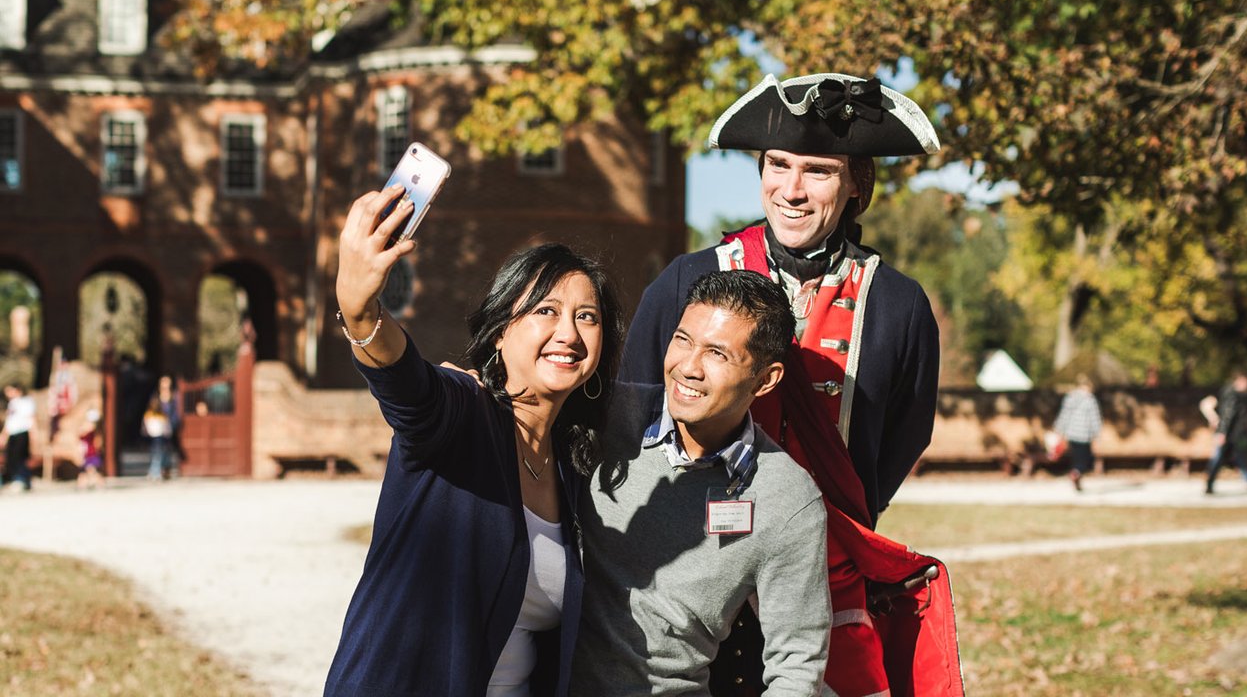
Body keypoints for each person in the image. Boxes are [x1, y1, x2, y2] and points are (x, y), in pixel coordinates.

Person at [620, 73, 962, 696]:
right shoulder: (686, 279)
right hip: (684, 571)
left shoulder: (900, 304)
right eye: (777, 164)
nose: (792, 189)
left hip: (824, 575)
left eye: (820, 170)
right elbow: (633, 413)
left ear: (858, 184)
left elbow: (901, 439)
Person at [324, 184, 623, 697]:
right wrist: (361, 312)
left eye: (587, 316)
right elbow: (408, 387)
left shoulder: (574, 468)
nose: (569, 333)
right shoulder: (464, 412)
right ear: (501, 331)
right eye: (545, 311)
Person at [571, 270, 830, 695]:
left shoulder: (788, 498)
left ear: (766, 380)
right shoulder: (604, 416)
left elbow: (798, 664)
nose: (688, 367)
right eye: (683, 340)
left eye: (717, 354)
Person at [1205, 371, 1247, 496]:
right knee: (1241, 460)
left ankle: (1209, 485)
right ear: (1239, 381)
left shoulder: (1231, 394)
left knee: (1230, 460)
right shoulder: (1233, 396)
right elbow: (1228, 416)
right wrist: (1222, 433)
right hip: (1235, 436)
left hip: (1232, 435)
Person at [1053, 374, 1103, 492]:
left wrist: (1060, 429)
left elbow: (1064, 415)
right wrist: (1097, 433)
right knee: (1086, 459)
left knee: (1076, 457)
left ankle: (1076, 475)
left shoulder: (1070, 398)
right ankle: (1076, 473)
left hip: (1072, 433)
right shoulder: (1090, 400)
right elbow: (1094, 418)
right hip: (1084, 434)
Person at [1, 384, 37, 492]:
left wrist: (34, 434)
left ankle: (22, 479)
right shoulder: (11, 404)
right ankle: (16, 479)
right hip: (12, 434)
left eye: (9, 391)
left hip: (22, 432)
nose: (7, 394)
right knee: (11, 457)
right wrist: (3, 435)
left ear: (17, 390)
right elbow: (9, 423)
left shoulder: (26, 401)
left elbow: (31, 419)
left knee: (20, 457)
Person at [142, 397, 174, 481]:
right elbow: (167, 428)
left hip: (158, 438)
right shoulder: (153, 415)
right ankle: (155, 472)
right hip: (156, 438)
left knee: (157, 456)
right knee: (157, 456)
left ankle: (155, 472)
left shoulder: (158, 415)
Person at [77, 408, 105, 490]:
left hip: (91, 455)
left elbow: (98, 444)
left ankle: (99, 484)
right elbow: (80, 436)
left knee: (91, 472)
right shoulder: (87, 430)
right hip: (87, 455)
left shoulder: (95, 432)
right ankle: (83, 485)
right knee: (85, 473)